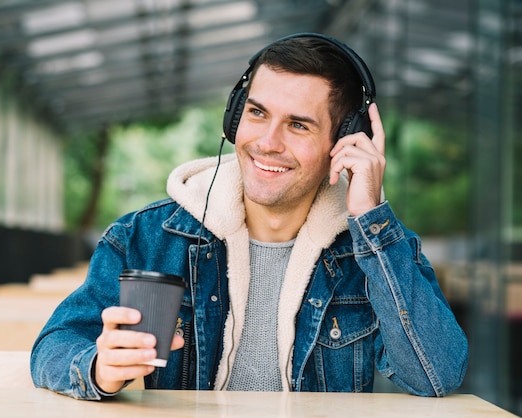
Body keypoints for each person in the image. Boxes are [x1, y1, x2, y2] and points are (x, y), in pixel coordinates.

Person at [30, 33, 468, 399]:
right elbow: (53, 345)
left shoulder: (373, 250)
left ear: (346, 142)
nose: (267, 142)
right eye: (257, 113)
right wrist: (98, 368)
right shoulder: (146, 237)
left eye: (299, 125)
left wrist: (370, 220)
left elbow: (436, 375)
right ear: (235, 115)